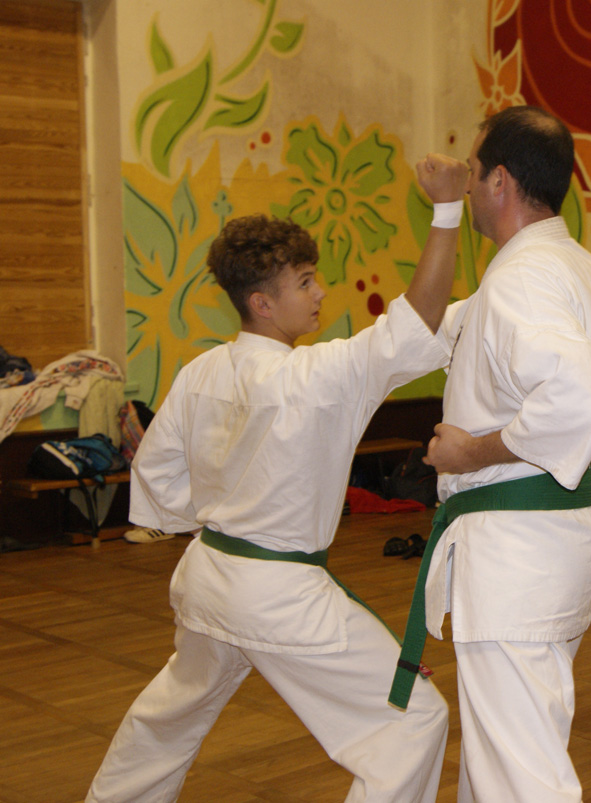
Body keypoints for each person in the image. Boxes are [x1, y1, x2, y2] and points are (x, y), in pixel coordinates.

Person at [85, 154, 470, 803]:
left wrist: (229, 519)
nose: (320, 293)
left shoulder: (200, 373)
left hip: (209, 577)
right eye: (305, 282)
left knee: (168, 718)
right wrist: (448, 207)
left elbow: (159, 485)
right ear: (262, 303)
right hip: (282, 597)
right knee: (411, 720)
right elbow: (419, 320)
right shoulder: (318, 376)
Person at [414, 106, 591, 803]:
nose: (470, 183)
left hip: (521, 547)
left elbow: (581, 403)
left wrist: (472, 452)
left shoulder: (522, 280)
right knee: (506, 751)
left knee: (519, 770)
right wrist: (445, 213)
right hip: (557, 533)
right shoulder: (567, 267)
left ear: (500, 181)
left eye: (474, 173)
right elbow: (426, 330)